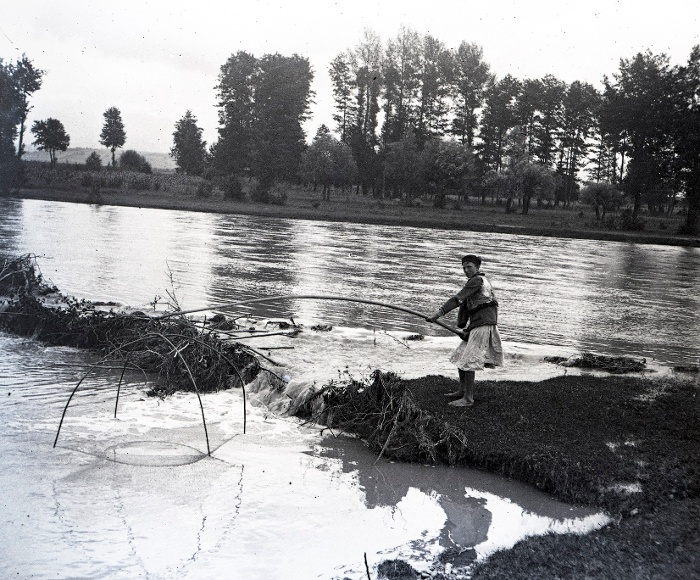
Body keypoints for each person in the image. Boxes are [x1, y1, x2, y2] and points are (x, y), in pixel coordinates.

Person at [427, 254, 503, 407]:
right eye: (464, 268)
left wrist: (438, 313)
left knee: (468, 360)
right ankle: (462, 390)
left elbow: (457, 299)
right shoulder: (479, 281)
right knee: (461, 355)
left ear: (477, 268)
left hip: (483, 324)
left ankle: (468, 398)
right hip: (478, 324)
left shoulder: (477, 280)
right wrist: (465, 328)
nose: (466, 270)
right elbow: (466, 305)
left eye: (469, 267)